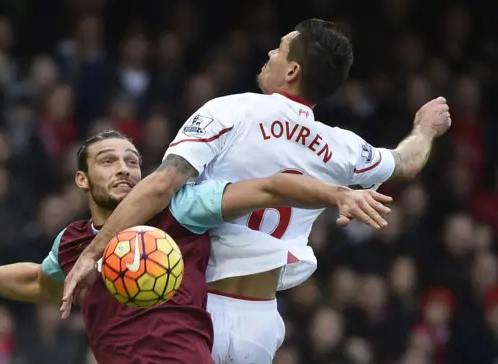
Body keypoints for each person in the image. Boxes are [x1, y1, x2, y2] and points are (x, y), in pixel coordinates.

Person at [61, 19, 452, 363]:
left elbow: (161, 184)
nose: (270, 52)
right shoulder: (341, 147)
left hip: (194, 308)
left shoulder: (232, 111)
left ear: (292, 70)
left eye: (280, 48)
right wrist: (425, 128)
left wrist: (94, 251)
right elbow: (407, 162)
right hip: (260, 323)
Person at [0, 131, 391, 364]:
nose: (124, 169)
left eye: (133, 161)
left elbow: (267, 188)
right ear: (81, 178)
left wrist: (336, 193)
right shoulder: (74, 243)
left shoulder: (180, 208)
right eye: (108, 161)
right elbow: (38, 282)